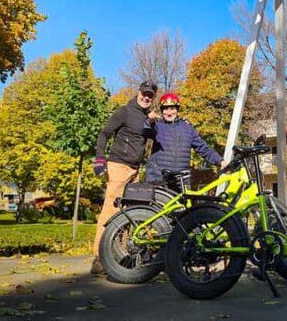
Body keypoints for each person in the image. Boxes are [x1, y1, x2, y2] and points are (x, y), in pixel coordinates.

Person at [90, 81, 159, 275]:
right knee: (110, 211)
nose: (146, 98)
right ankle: (99, 257)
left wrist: (153, 122)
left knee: (129, 214)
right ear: (138, 93)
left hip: (135, 170)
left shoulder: (147, 117)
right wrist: (100, 160)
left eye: (150, 96)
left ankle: (117, 256)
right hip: (119, 166)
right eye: (144, 94)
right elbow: (104, 134)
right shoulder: (124, 112)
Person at [145, 92, 226, 185]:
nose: (169, 112)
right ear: (162, 111)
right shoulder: (157, 125)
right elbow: (143, 131)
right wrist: (149, 120)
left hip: (180, 180)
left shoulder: (187, 128)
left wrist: (220, 161)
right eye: (166, 109)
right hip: (158, 178)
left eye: (172, 108)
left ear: (177, 109)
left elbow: (203, 148)